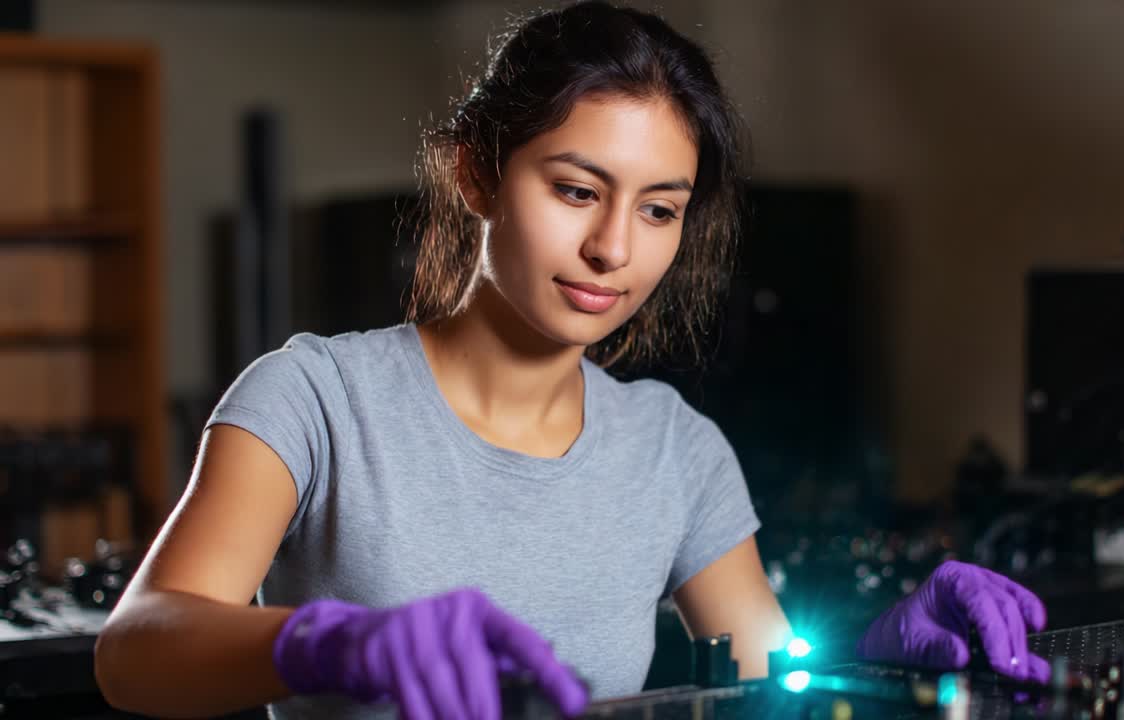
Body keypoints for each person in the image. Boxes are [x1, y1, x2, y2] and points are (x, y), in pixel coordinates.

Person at [93, 3, 1050, 719]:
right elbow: (134, 651)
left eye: (659, 209)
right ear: (477, 173)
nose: (614, 250)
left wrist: (890, 648)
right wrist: (334, 640)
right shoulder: (315, 398)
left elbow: (770, 680)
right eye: (577, 189)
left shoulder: (674, 448)